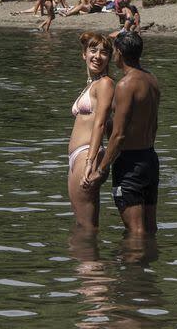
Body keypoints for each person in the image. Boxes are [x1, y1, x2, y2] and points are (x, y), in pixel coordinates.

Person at [83, 32, 161, 235]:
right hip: (150, 159)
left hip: (130, 163)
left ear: (118, 52)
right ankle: (146, 264)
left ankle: (131, 266)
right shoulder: (151, 79)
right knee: (149, 227)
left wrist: (101, 169)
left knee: (135, 230)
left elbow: (119, 135)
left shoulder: (126, 85)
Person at [68, 32, 116, 230]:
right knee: (83, 225)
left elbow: (101, 124)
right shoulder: (93, 84)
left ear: (109, 58)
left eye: (104, 52)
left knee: (86, 228)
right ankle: (90, 260)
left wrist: (91, 161)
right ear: (84, 54)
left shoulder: (105, 83)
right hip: (80, 157)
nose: (97, 56)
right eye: (93, 50)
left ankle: (90, 261)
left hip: (88, 155)